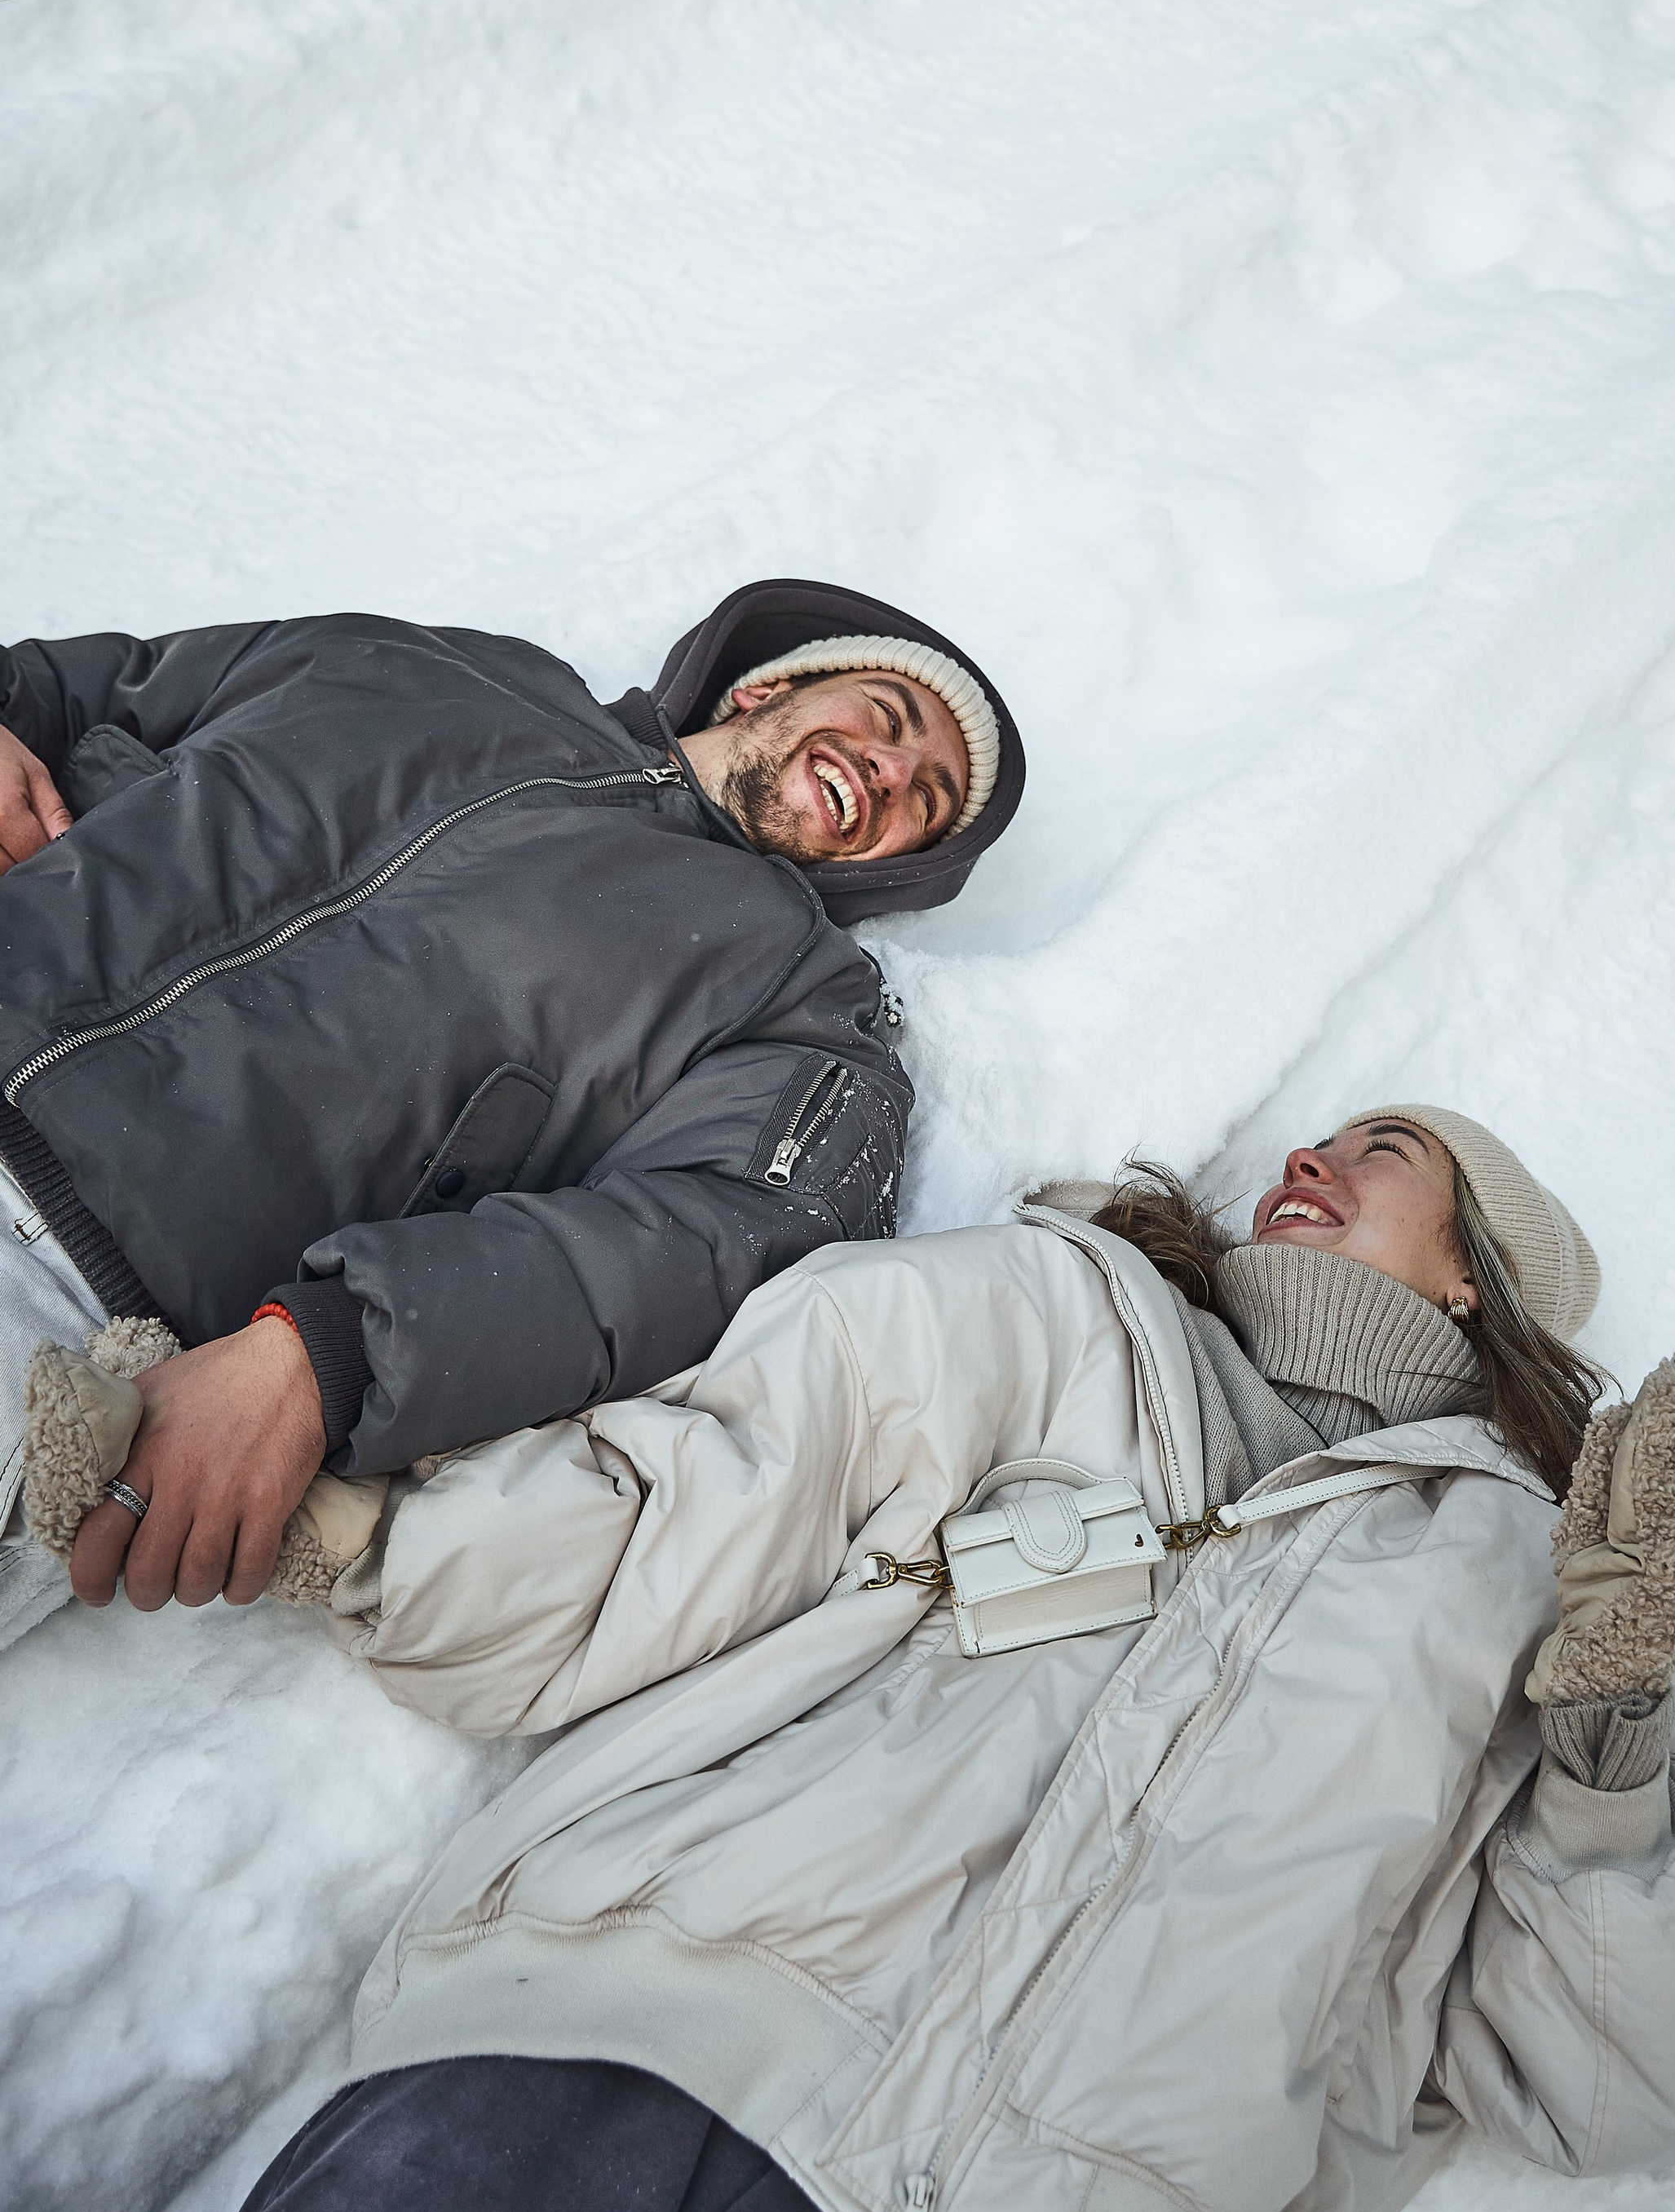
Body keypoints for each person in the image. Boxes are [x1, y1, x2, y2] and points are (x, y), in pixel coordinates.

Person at [20, 1104, 1675, 2212]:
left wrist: (1608, 1736)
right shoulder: (1061, 1311)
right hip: (624, 2026)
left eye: (1383, 1150)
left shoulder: (1534, 1587)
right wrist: (345, 1534)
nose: (1312, 1158)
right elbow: (717, 1500)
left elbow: (1629, 2077)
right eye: (1316, 1134)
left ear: (1479, 1273)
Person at [0, 579, 1024, 1651]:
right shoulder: (446, 668)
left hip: (62, 1285)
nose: (894, 770)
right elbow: (85, 690)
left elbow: (686, 1248)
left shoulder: (799, 1006)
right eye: (889, 717)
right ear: (767, 686)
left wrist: (331, 1356)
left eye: (929, 802)